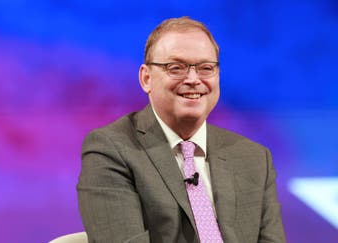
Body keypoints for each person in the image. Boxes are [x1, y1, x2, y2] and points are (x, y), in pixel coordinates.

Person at [77, 16, 286, 243]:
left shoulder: (254, 158)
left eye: (206, 68)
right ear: (146, 78)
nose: (194, 79)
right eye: (176, 68)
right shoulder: (111, 150)